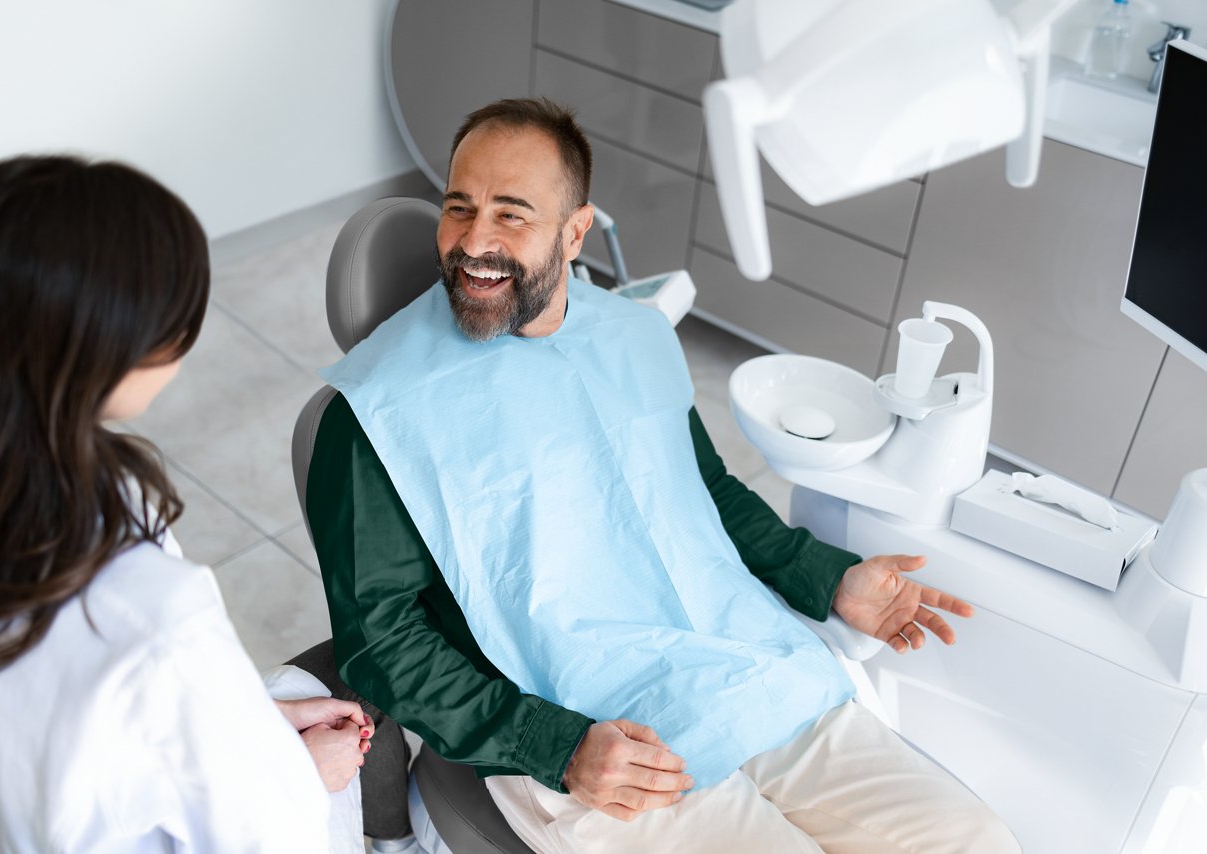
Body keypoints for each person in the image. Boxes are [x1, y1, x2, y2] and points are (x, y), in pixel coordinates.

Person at [309, 99, 1019, 852]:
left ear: (574, 232)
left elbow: (702, 491)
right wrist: (555, 746)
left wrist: (829, 578)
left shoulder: (633, 336)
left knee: (975, 839)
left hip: (740, 666)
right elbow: (380, 640)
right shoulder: (380, 412)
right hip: (590, 732)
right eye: (459, 207)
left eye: (511, 214)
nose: (474, 241)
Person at [0, 155, 374, 852]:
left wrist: (246, 723)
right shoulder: (149, 612)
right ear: (105, 353)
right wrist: (301, 774)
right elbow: (264, 835)